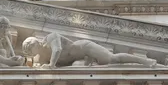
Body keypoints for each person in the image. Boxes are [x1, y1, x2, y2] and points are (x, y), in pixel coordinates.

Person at [21, 31, 157, 67]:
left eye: (30, 48)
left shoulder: (51, 37)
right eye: (29, 52)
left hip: (84, 48)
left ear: (35, 43)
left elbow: (57, 50)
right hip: (80, 61)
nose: (31, 52)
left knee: (112, 59)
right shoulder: (42, 57)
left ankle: (146, 62)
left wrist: (51, 65)